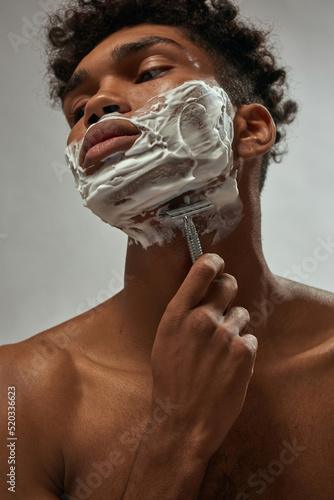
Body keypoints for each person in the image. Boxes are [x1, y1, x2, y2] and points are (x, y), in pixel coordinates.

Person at [1, 0, 333, 499]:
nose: (95, 106)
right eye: (77, 109)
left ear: (251, 130)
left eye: (150, 70)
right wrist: (176, 432)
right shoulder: (16, 393)